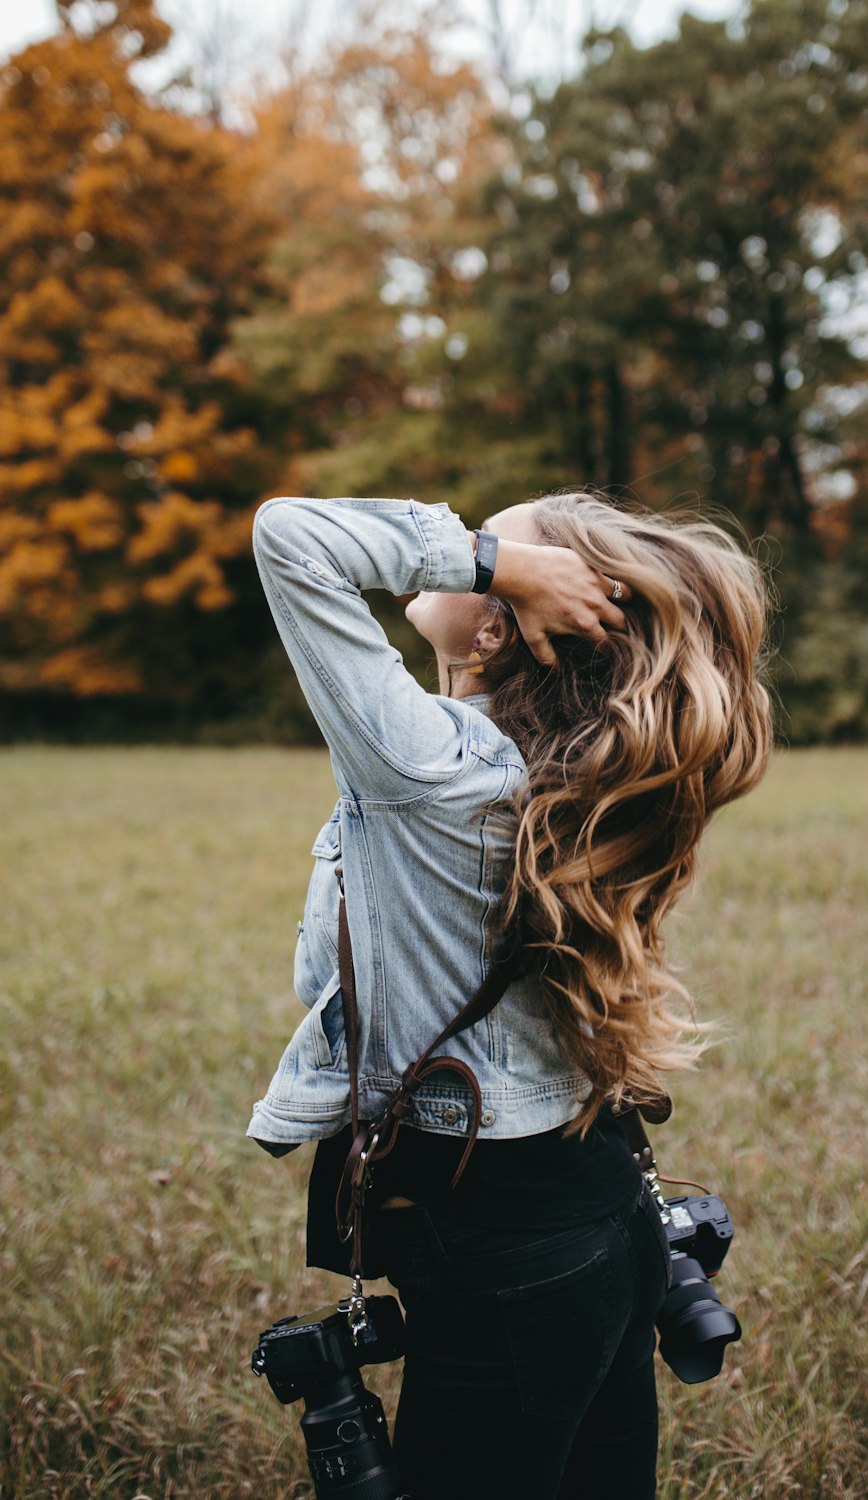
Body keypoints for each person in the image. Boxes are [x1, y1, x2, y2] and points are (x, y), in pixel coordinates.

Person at [247, 488, 773, 1499]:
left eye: (494, 538)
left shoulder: (436, 767)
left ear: (498, 618)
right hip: (599, 1208)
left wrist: (497, 562)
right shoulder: (548, 770)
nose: (465, 538)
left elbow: (289, 535)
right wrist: (509, 563)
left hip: (502, 1241)